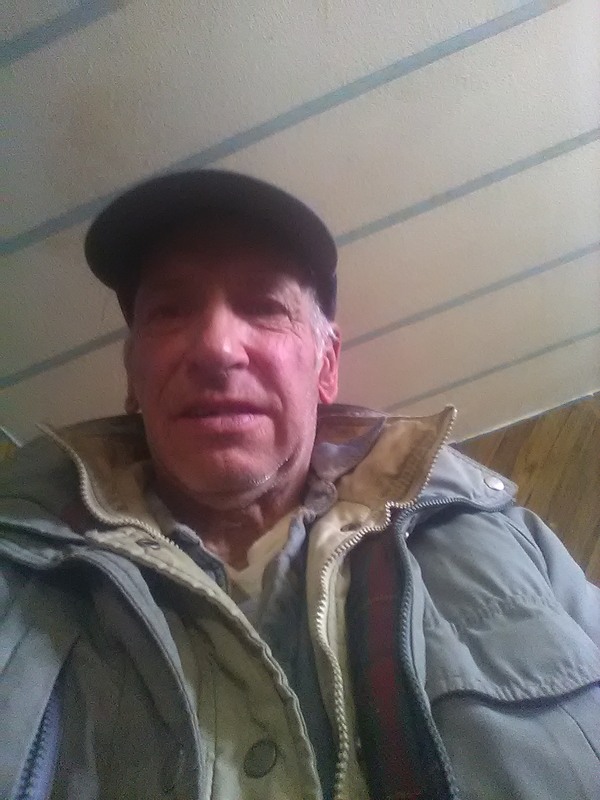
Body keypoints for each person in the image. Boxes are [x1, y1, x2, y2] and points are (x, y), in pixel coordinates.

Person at [1, 170, 599, 800]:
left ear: (326, 364)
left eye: (265, 306)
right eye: (170, 311)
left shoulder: (502, 532)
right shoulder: (18, 570)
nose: (215, 348)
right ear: (133, 376)